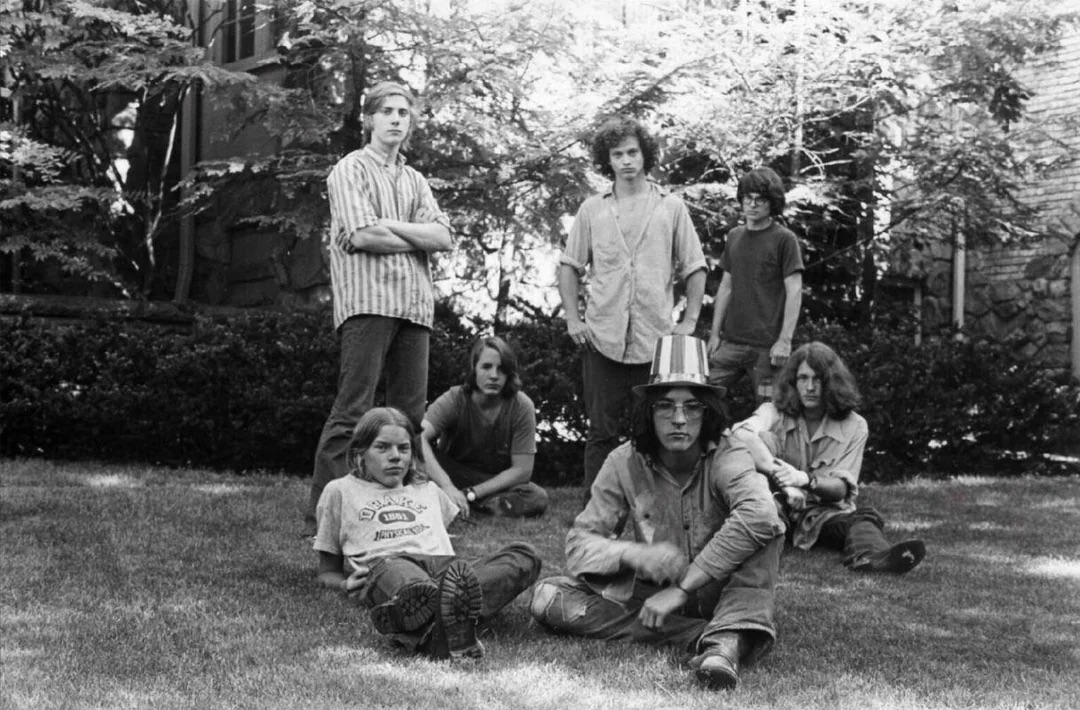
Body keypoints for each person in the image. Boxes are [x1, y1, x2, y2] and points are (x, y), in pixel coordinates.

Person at [530, 335, 785, 691]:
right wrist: (636, 553)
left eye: (691, 406)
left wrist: (682, 587)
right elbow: (578, 546)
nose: (678, 419)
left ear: (707, 411)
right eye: (665, 405)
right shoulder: (623, 461)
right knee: (548, 598)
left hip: (722, 593)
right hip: (652, 599)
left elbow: (760, 515)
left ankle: (727, 635)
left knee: (769, 528)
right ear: (648, 412)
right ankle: (715, 640)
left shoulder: (729, 452)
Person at [306, 81, 453, 534]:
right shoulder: (348, 170)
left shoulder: (415, 180)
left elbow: (444, 238)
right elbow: (361, 236)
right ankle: (325, 517)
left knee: (409, 419)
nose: (394, 119)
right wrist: (412, 233)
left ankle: (404, 516)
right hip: (368, 304)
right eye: (386, 111)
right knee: (354, 409)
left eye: (403, 112)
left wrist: (388, 223)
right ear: (369, 119)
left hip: (415, 309)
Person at [314, 407, 542, 660]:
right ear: (360, 454)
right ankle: (447, 619)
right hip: (390, 564)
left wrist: (454, 579)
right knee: (408, 580)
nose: (395, 457)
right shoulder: (340, 491)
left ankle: (436, 626)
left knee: (524, 555)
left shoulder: (429, 490)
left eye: (403, 448)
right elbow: (327, 572)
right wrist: (344, 584)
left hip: (446, 569)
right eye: (382, 448)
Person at [559, 116, 707, 494]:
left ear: (645, 155)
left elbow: (695, 267)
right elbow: (570, 267)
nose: (626, 161)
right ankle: (596, 510)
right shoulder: (592, 209)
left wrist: (689, 321)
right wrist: (574, 320)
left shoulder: (670, 207)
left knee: (655, 430)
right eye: (617, 154)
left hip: (654, 342)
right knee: (601, 432)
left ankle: (661, 504)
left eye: (632, 152)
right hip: (602, 338)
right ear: (606, 160)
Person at [731, 341, 927, 574]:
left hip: (824, 515)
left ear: (832, 382)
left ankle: (871, 558)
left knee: (864, 517)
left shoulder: (855, 426)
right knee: (752, 510)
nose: (810, 387)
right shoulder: (774, 411)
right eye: (803, 378)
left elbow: (842, 489)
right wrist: (783, 479)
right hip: (777, 505)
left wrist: (805, 480)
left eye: (818, 379)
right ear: (793, 382)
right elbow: (740, 434)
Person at [420, 336, 549, 518]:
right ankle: (455, 501)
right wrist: (447, 485)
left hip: (492, 481)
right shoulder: (455, 398)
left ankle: (463, 504)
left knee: (536, 497)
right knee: (416, 462)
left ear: (509, 374)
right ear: (474, 369)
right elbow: (418, 436)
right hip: (452, 472)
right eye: (486, 367)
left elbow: (522, 471)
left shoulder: (521, 405)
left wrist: (472, 493)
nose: (494, 376)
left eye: (501, 369)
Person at [707, 167, 803, 402]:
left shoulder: (785, 239)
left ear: (773, 203)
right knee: (700, 397)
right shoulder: (734, 236)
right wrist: (714, 334)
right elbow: (726, 287)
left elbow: (794, 291)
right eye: (747, 198)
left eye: (760, 200)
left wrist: (784, 341)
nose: (752, 205)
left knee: (770, 414)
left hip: (767, 349)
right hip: (730, 344)